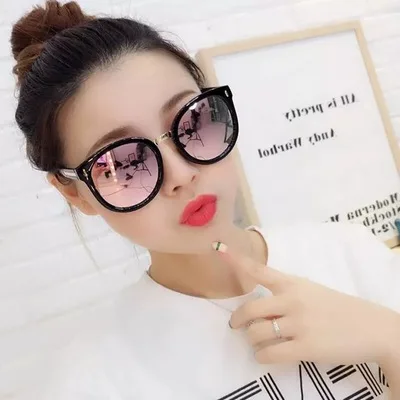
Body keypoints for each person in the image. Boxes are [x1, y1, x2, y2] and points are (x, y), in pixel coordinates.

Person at [10, 1, 400, 399]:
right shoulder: (97, 383)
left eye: (190, 120)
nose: (182, 175)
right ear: (74, 192)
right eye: (123, 163)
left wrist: (389, 338)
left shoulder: (350, 252)